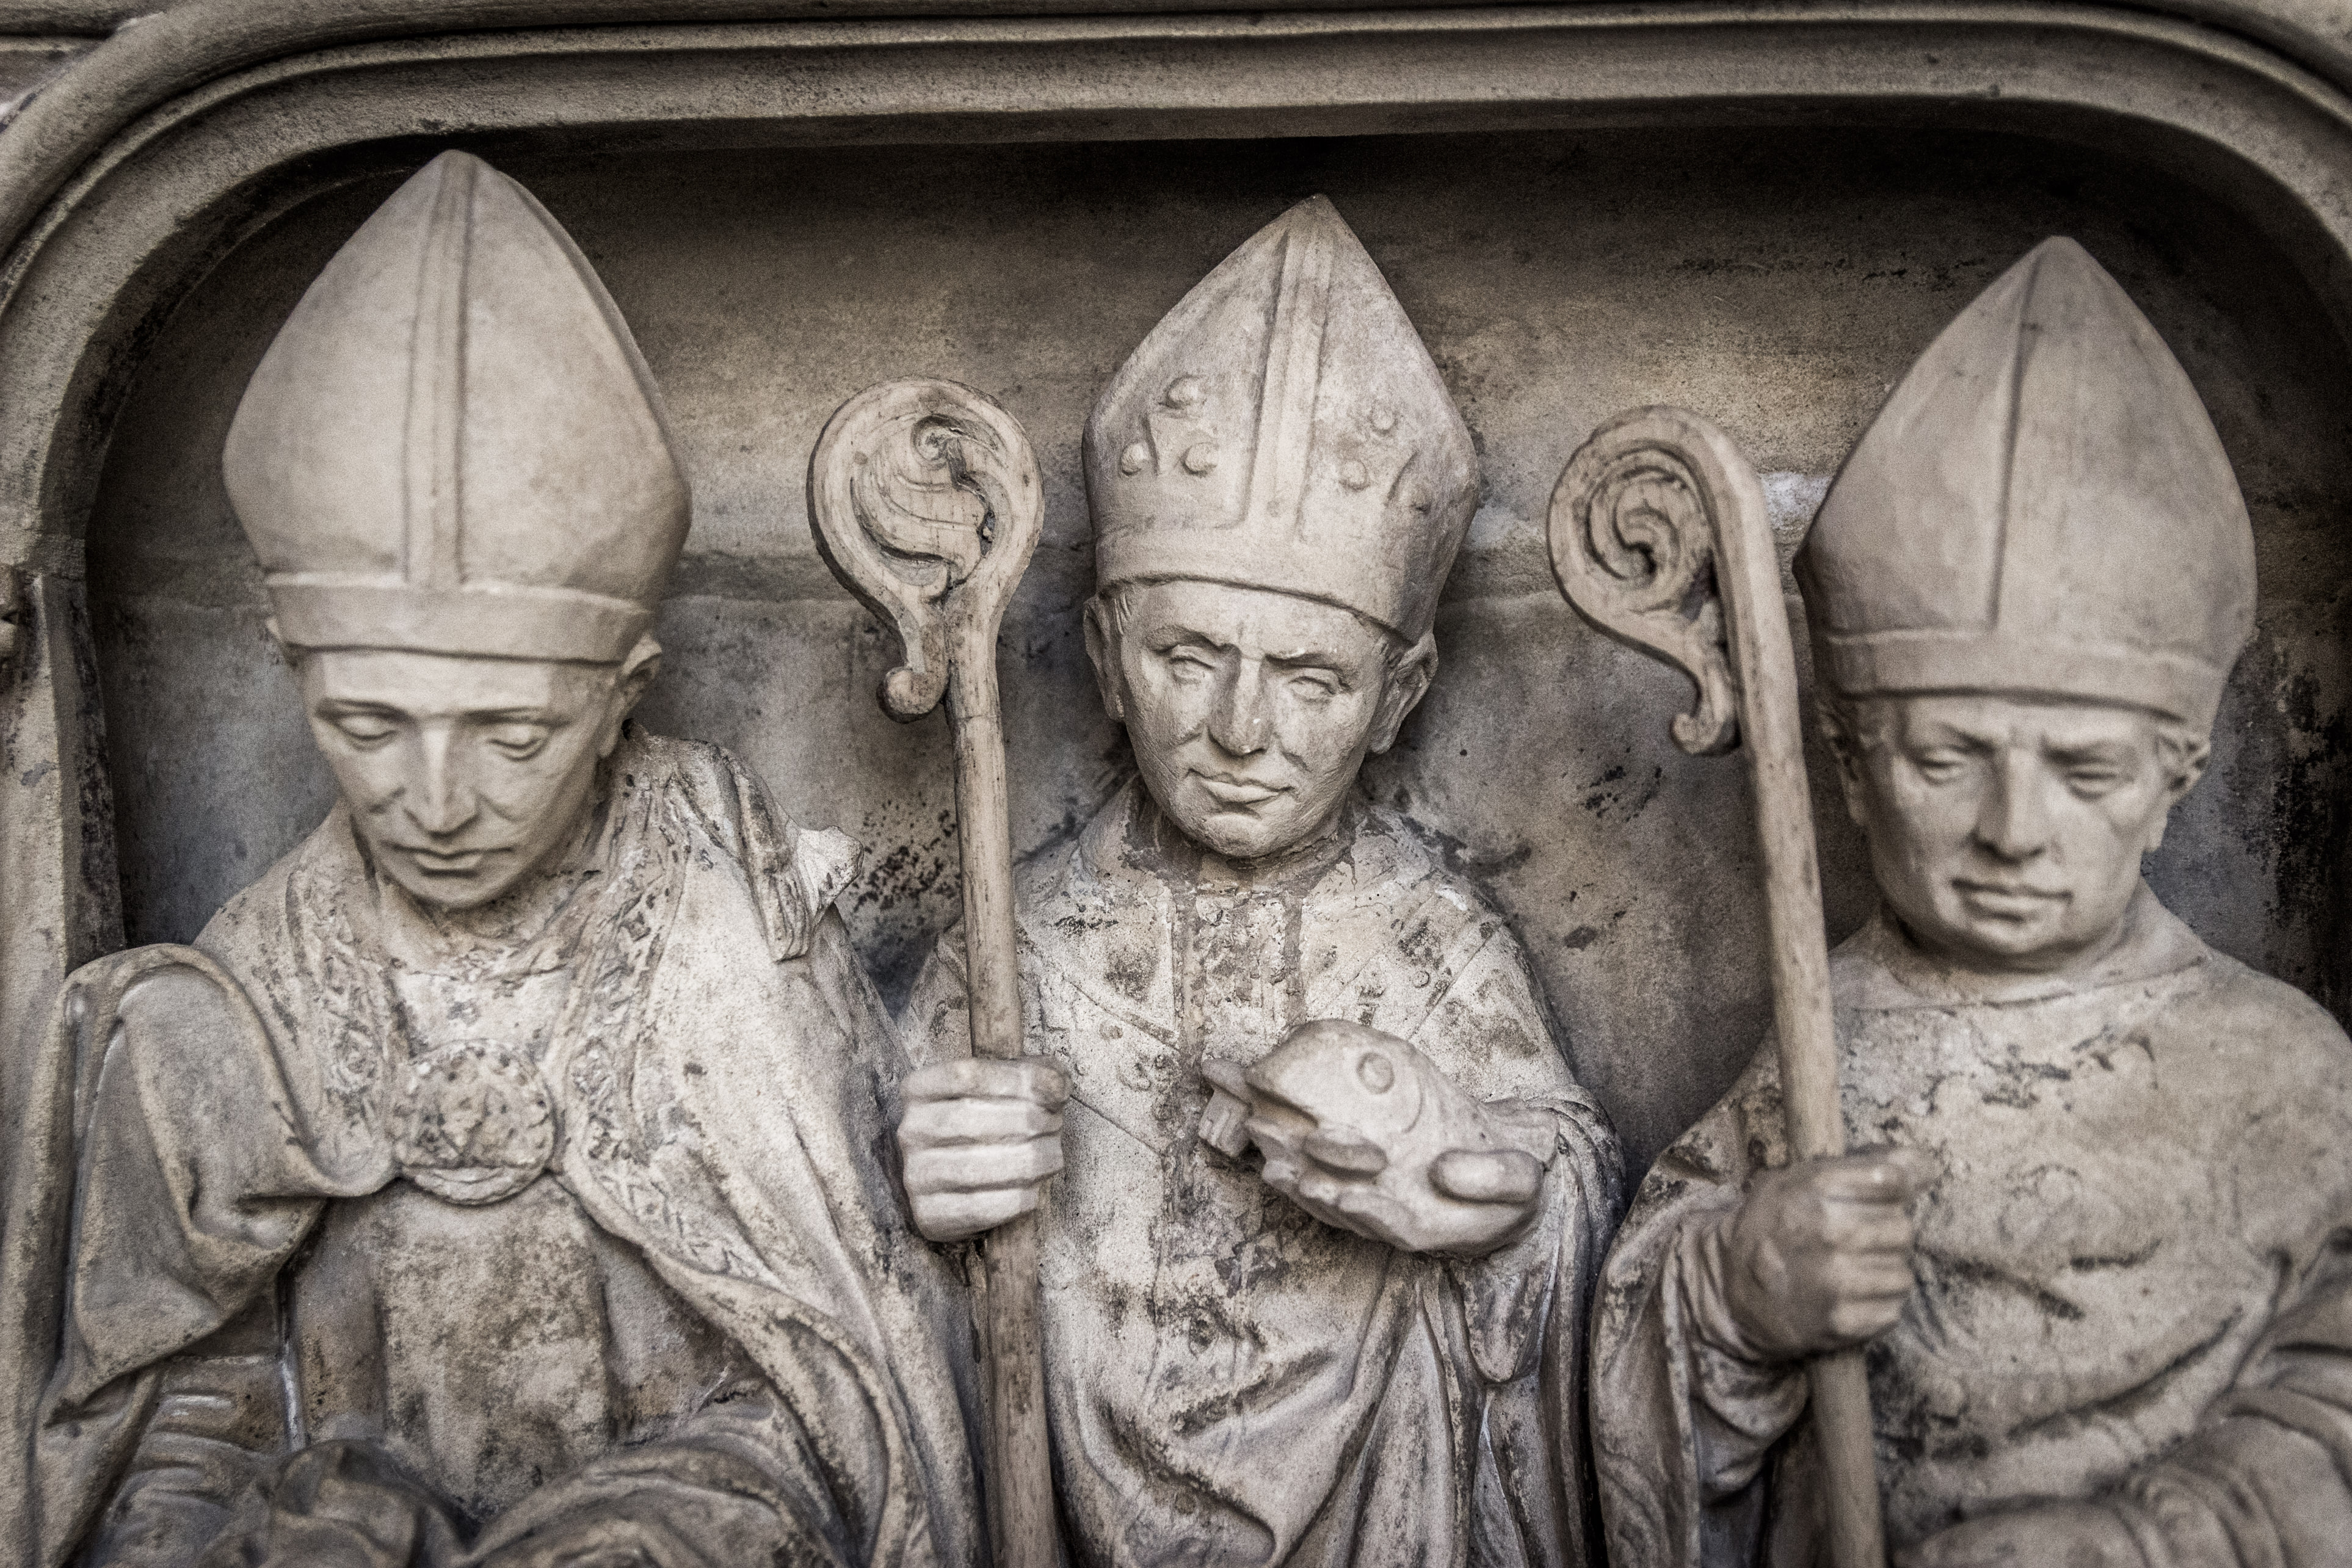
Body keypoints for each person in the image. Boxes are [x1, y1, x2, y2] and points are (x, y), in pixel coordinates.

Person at [0, 151, 982, 1568]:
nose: (438, 802)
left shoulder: (721, 931)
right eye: (367, 726)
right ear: (288, 673)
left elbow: (846, 1393)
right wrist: (268, 1531)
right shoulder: (233, 1011)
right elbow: (177, 1425)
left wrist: (667, 1526)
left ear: (622, 695)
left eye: (512, 735)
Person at [1591, 237, 2352, 1567]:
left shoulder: (2289, 1074)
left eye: (2085, 772)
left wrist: (2148, 1541)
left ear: (2174, 782)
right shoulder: (1822, 1049)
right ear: (1850, 768)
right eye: (1947, 760)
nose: (2012, 831)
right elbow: (1648, 1341)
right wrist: (1736, 1298)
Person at [895, 196, 1623, 1567]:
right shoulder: (1012, 948)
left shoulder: (1435, 944)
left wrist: (1497, 1194)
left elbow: (1554, 1180)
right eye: (1188, 658)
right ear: (1105, 659)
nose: (1241, 731)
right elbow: (871, 1286)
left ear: (1399, 695)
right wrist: (918, 1186)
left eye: (1311, 680)